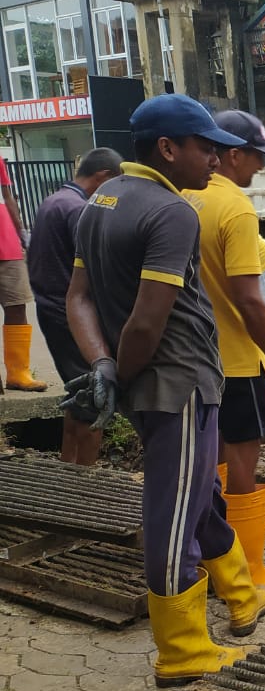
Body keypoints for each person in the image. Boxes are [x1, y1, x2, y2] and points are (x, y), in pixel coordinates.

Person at [64, 93, 265, 687]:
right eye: (206, 148)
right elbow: (148, 323)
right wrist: (121, 370)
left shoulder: (101, 200)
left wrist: (103, 366)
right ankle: (182, 652)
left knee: (195, 491)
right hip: (174, 382)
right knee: (173, 513)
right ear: (168, 148)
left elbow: (78, 298)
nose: (215, 159)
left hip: (143, 383)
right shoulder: (170, 211)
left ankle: (241, 593)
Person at [183, 109, 265, 595]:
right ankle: (248, 573)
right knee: (241, 469)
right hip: (235, 360)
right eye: (257, 158)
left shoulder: (181, 197)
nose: (261, 168)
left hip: (190, 362)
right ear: (234, 155)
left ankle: (207, 562)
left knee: (203, 467)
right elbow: (249, 300)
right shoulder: (233, 207)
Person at [26, 147, 124, 463]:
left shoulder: (53, 201)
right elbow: (94, 270)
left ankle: (68, 466)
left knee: (76, 394)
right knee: (94, 398)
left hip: (49, 308)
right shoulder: (79, 210)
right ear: (104, 177)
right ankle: (86, 478)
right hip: (70, 314)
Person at [0, 156, 49, 393]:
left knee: (17, 305)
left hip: (6, 244)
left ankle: (18, 373)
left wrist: (21, 233)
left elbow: (8, 198)